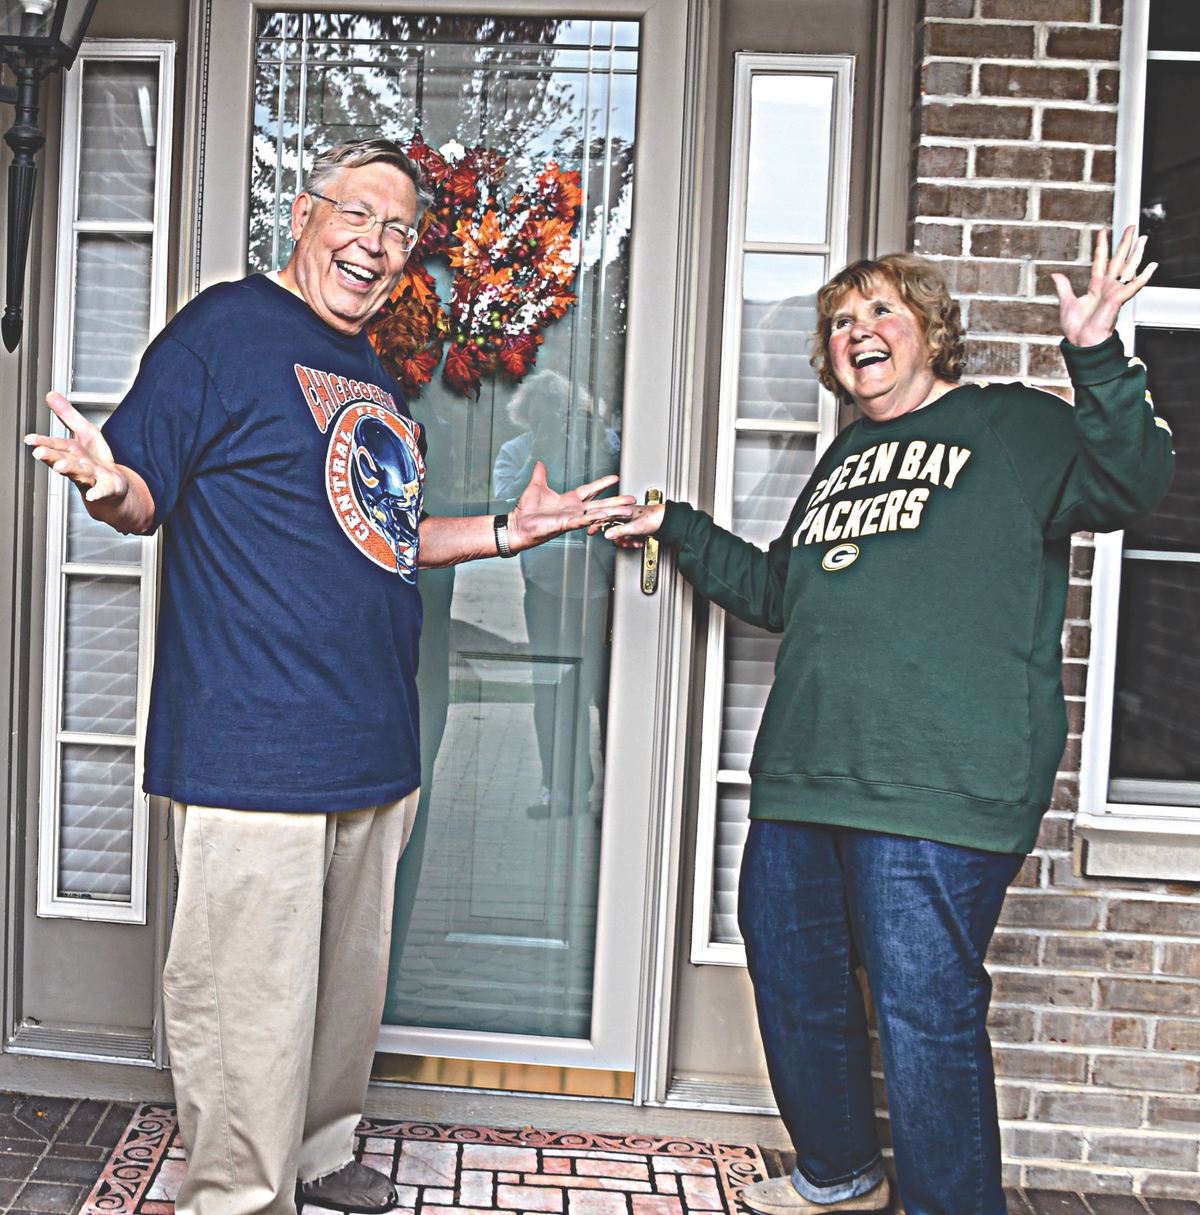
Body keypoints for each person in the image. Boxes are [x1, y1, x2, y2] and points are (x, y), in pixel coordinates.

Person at [25, 138, 632, 1215]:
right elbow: (141, 489)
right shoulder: (225, 329)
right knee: (244, 1000)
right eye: (359, 215)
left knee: (342, 997)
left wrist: (508, 529)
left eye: (400, 231)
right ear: (303, 216)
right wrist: (103, 480)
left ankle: (317, 1151)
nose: (378, 245)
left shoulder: (377, 375)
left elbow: (389, 535)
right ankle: (235, 1194)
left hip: (372, 740)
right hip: (253, 743)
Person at [603, 230, 1173, 1215]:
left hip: (940, 786)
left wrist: (1096, 355)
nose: (857, 330)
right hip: (809, 775)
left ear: (928, 333)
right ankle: (840, 1171)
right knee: (793, 973)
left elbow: (1135, 482)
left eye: (879, 312)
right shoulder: (843, 462)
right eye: (839, 322)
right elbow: (782, 591)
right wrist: (678, 529)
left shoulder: (1006, 425)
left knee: (925, 1016)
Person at [493, 371, 620, 816]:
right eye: (541, 410)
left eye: (558, 409)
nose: (549, 418)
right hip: (545, 586)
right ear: (527, 415)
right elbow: (505, 506)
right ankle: (560, 789)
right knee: (551, 688)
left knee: (606, 690)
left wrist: (596, 439)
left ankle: (617, 792)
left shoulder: (596, 443)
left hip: (601, 586)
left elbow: (626, 478)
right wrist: (538, 455)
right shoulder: (516, 451)